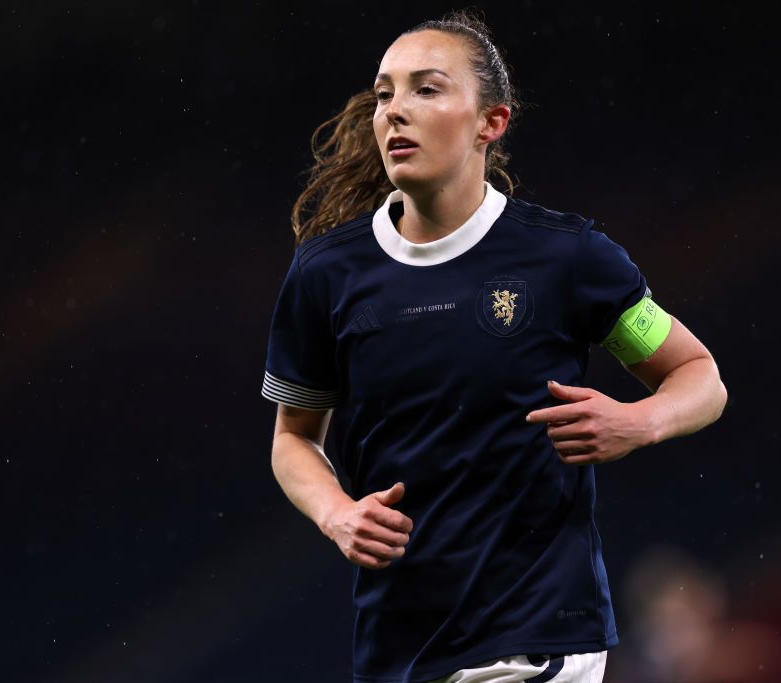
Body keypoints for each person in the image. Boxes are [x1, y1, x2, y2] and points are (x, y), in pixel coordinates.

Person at [261, 10, 728, 683]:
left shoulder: (566, 259)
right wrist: (337, 513)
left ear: (491, 122)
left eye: (426, 89)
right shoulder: (326, 274)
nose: (395, 111)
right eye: (385, 92)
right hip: (398, 648)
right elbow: (293, 437)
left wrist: (638, 420)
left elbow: (700, 375)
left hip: (534, 638)